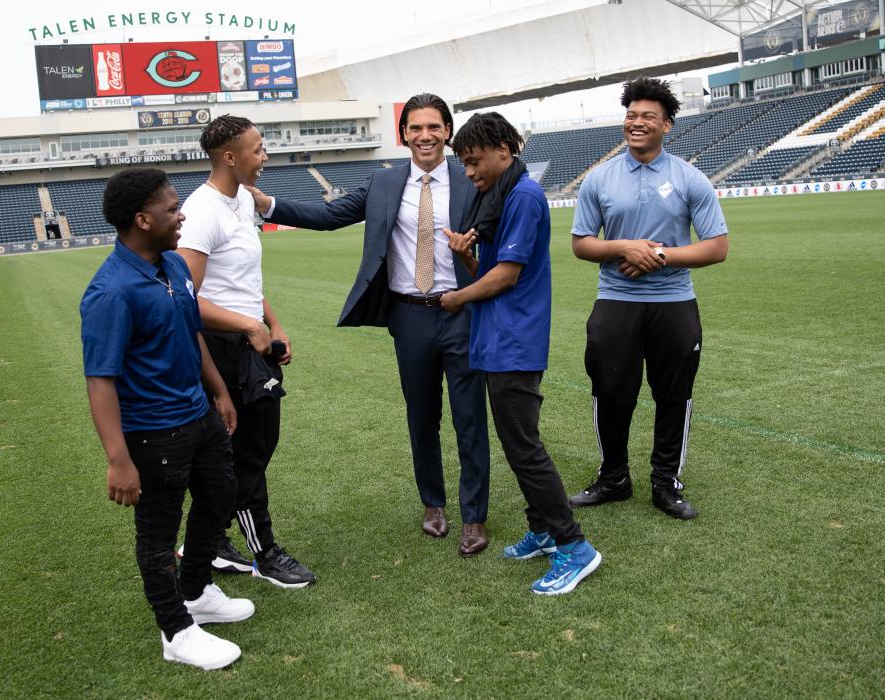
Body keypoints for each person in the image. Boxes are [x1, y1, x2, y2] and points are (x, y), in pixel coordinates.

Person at [246, 94, 491, 557]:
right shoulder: (383, 183)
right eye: (415, 128)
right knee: (422, 416)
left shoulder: (471, 180)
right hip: (409, 315)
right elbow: (329, 216)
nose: (425, 136)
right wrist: (268, 203)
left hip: (463, 312)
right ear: (403, 134)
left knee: (470, 418)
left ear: (448, 131)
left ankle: (474, 515)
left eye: (433, 127)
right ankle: (433, 504)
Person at [81, 168, 255, 670]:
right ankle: (176, 631)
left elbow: (192, 332)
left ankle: (197, 591)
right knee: (157, 531)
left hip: (197, 414)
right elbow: (100, 380)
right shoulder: (111, 291)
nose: (181, 216)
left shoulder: (174, 265)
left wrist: (219, 392)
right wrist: (118, 459)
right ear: (142, 219)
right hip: (153, 431)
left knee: (221, 494)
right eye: (172, 209)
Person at [440, 113, 601, 595]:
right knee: (517, 443)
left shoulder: (525, 196)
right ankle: (544, 529)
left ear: (504, 152)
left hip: (515, 341)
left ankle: (574, 546)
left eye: (474, 162)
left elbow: (506, 277)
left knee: (524, 448)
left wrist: (455, 298)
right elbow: (486, 269)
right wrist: (463, 255)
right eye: (464, 165)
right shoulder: (500, 196)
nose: (469, 173)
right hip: (497, 338)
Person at [569, 77, 729, 520]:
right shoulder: (599, 179)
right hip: (616, 298)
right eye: (631, 116)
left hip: (674, 301)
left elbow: (716, 247)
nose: (636, 123)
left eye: (647, 117)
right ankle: (614, 478)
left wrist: (658, 255)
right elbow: (581, 243)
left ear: (667, 125)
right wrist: (624, 247)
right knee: (610, 390)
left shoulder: (688, 178)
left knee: (673, 394)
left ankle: (666, 483)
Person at [176, 115, 316, 588]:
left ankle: (210, 540)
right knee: (247, 453)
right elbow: (184, 297)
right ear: (230, 157)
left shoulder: (243, 201)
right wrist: (247, 325)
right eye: (258, 149)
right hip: (222, 347)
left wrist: (271, 322)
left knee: (248, 448)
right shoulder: (202, 211)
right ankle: (264, 554)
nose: (265, 157)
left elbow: (242, 282)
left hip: (251, 340)